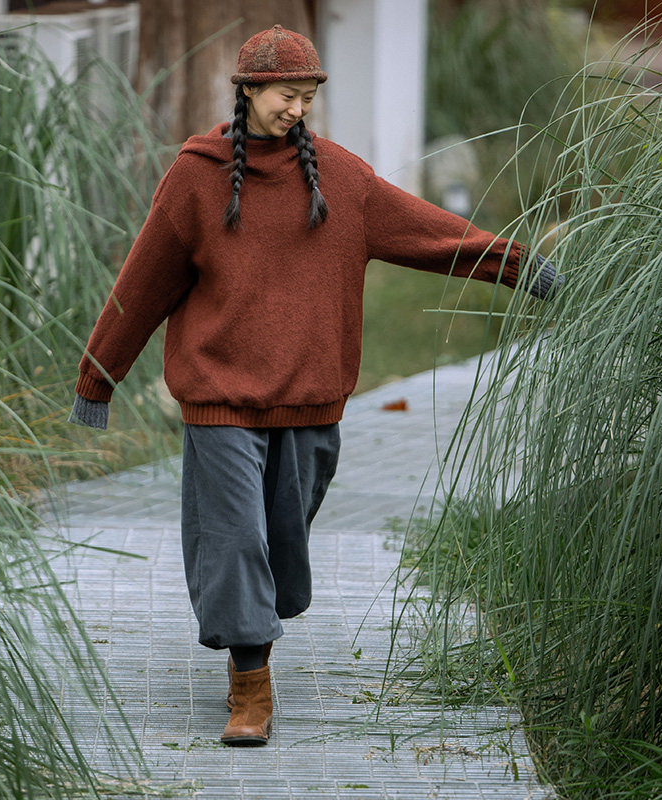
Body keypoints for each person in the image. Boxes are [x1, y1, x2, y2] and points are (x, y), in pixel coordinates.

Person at [69, 24, 561, 747]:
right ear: (247, 92)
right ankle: (249, 688)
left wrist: (519, 266)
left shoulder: (342, 179)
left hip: (310, 399)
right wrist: (98, 378)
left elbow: (433, 233)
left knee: (281, 551)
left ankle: (259, 628)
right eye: (284, 96)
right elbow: (142, 284)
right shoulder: (197, 179)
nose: (296, 109)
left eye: (306, 97)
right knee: (236, 539)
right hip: (220, 397)